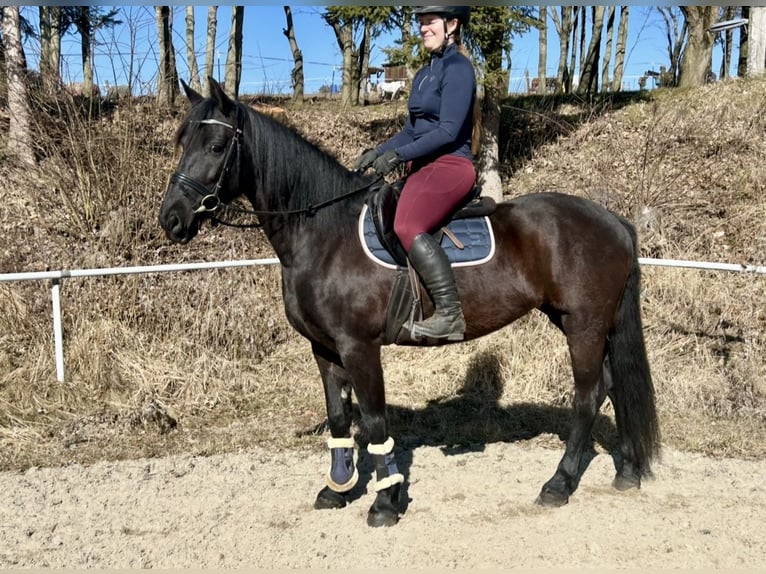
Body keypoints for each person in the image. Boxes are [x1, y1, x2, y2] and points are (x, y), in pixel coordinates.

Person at [354, 6, 477, 342]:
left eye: (430, 22)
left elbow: (450, 131)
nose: (423, 28)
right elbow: (411, 132)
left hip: (452, 164)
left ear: (452, 24)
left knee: (406, 224)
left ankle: (450, 314)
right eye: (421, 22)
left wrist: (398, 156)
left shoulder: (459, 69)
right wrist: (378, 151)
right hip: (423, 165)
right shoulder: (424, 74)